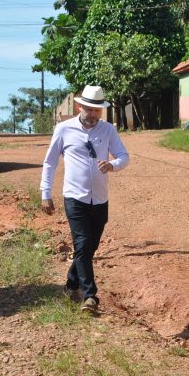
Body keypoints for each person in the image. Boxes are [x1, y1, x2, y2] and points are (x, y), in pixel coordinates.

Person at [40, 85, 129, 314]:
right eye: (89, 109)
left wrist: (113, 165)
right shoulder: (63, 129)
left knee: (88, 248)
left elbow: (123, 156)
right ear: (80, 106)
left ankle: (71, 284)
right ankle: (90, 296)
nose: (93, 114)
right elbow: (50, 162)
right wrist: (45, 193)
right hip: (74, 197)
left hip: (100, 199)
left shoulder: (108, 130)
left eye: (97, 111)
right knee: (82, 244)